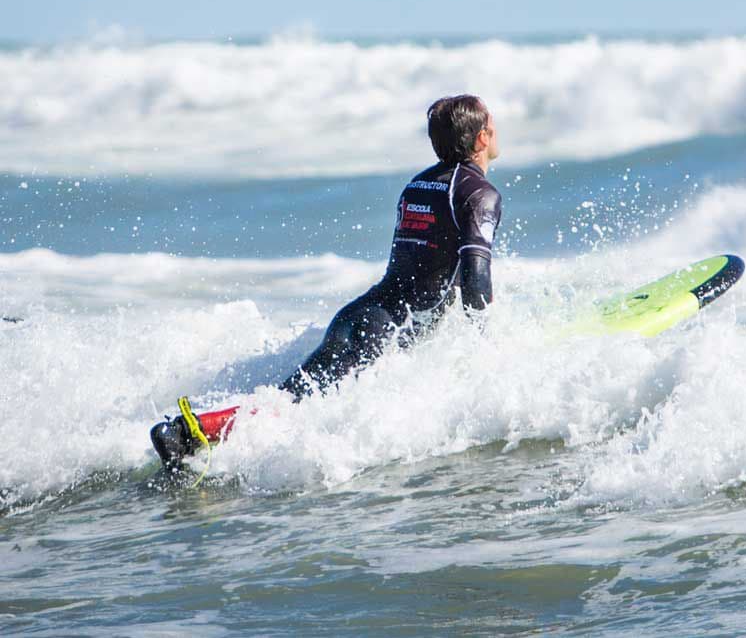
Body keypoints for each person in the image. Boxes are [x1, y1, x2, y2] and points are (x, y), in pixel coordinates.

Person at [151, 95, 502, 466]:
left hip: (363, 315)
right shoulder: (479, 194)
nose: (496, 132)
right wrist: (484, 348)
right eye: (492, 126)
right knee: (290, 406)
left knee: (292, 399)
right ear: (481, 138)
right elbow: (475, 278)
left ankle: (192, 438)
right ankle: (186, 433)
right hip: (382, 332)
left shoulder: (418, 185)